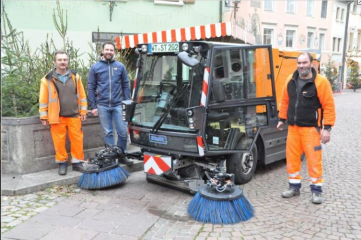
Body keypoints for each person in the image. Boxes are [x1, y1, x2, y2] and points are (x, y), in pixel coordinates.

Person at [277, 52, 336, 204]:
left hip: (311, 129)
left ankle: (316, 191)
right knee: (292, 159)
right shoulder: (290, 80)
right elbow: (285, 101)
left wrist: (327, 128)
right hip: (293, 128)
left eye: (304, 63)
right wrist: (281, 119)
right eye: (299, 63)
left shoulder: (321, 82)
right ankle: (294, 187)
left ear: (311, 64)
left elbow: (328, 106)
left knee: (314, 160)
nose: (301, 66)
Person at [39, 50, 88, 175]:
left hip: (74, 115)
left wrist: (83, 111)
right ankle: (62, 164)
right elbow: (43, 100)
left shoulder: (75, 77)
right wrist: (44, 116)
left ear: (68, 61)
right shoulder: (47, 79)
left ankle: (77, 163)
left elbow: (82, 96)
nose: (62, 62)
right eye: (60, 60)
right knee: (59, 142)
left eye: (64, 60)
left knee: (77, 140)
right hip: (57, 117)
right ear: (55, 62)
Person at [88, 41, 133, 165]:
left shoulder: (120, 67)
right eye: (106, 50)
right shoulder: (95, 67)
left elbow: (125, 85)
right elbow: (91, 87)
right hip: (102, 105)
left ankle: (122, 154)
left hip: (118, 104)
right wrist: (93, 106)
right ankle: (111, 157)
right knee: (108, 132)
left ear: (114, 52)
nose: (109, 52)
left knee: (123, 132)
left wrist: (127, 102)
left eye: (111, 50)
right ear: (102, 51)